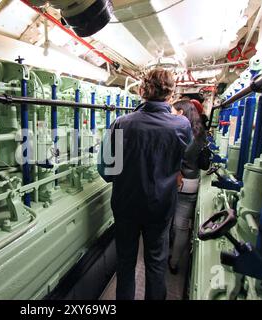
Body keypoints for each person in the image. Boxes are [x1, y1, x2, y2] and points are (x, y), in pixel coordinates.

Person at [98, 68, 192, 300]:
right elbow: (184, 161)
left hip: (126, 206)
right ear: (171, 95)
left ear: (141, 91)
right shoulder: (181, 125)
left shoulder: (121, 124)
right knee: (156, 263)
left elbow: (107, 171)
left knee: (126, 263)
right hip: (160, 207)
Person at [168, 99, 207, 274]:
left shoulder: (179, 132)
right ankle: (174, 262)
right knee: (182, 226)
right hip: (192, 183)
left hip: (176, 182)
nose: (170, 114)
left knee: (168, 220)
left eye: (173, 111)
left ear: (181, 113)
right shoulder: (201, 133)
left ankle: (165, 251)